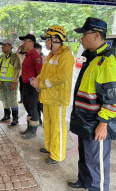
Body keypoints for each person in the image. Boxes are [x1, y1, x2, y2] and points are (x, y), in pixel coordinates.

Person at [68, 17, 116, 191]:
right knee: (85, 157)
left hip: (96, 122)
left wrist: (103, 123)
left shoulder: (106, 62)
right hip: (85, 119)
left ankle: (96, 187)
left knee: (97, 164)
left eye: (84, 34)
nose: (81, 38)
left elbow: (114, 100)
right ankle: (84, 181)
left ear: (96, 35)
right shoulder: (93, 58)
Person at [30, 26, 75, 164]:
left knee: (57, 127)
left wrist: (41, 85)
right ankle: (50, 147)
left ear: (55, 39)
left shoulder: (66, 56)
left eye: (47, 40)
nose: (45, 43)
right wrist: (38, 81)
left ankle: (57, 155)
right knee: (48, 124)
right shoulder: (51, 55)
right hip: (48, 96)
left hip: (58, 98)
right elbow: (44, 73)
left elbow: (60, 77)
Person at [19, 34, 43, 139]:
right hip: (25, 84)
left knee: (33, 108)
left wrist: (36, 83)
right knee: (27, 106)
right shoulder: (27, 55)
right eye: (23, 41)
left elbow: (40, 73)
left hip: (32, 86)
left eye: (25, 41)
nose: (23, 43)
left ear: (32, 43)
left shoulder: (35, 56)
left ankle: (33, 131)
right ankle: (29, 128)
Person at [0, 39, 21, 127]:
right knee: (4, 99)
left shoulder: (14, 57)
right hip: (2, 82)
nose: (3, 47)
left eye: (5, 45)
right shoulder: (1, 56)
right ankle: (6, 116)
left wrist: (14, 82)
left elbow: (17, 70)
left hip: (10, 82)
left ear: (10, 46)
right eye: (2, 45)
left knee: (12, 100)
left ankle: (15, 119)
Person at [34, 43, 44, 125]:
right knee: (36, 103)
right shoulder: (33, 57)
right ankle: (39, 119)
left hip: (41, 84)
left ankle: (46, 120)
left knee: (41, 104)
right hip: (35, 83)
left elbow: (40, 72)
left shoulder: (43, 58)